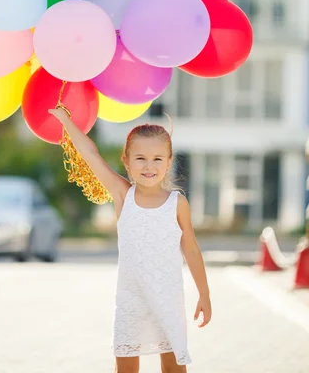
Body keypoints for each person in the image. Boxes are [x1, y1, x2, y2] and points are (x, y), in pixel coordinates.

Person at [49, 107, 212, 373]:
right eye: (141, 158)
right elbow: (91, 154)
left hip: (167, 298)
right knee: (125, 368)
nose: (149, 166)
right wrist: (66, 119)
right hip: (131, 300)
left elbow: (191, 250)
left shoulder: (177, 203)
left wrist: (204, 294)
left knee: (173, 367)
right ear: (126, 161)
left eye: (158, 159)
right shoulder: (123, 195)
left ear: (169, 162)